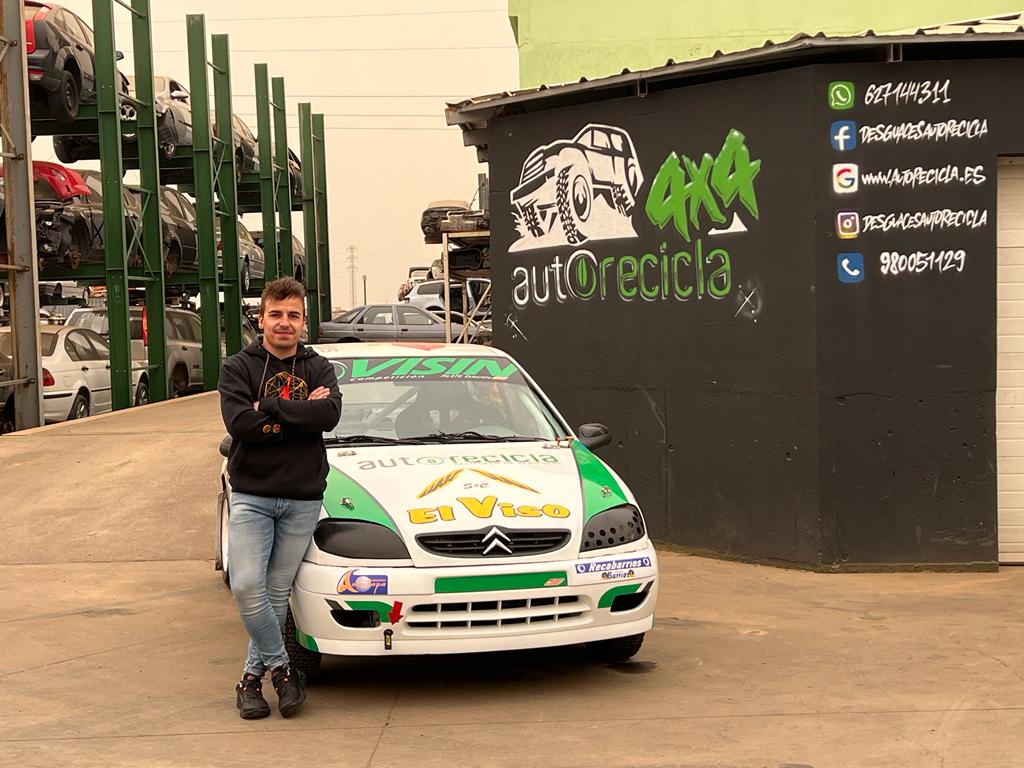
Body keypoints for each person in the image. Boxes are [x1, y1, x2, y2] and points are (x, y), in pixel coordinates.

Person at [217, 277, 342, 720]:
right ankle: (284, 671)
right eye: (276, 314)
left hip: (303, 498)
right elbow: (240, 425)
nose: (284, 323)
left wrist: (268, 409)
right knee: (249, 587)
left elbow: (329, 415)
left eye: (293, 315)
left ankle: (250, 683)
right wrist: (299, 412)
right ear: (262, 318)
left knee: (274, 594)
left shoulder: (318, 366)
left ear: (303, 321)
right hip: (253, 495)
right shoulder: (238, 367)